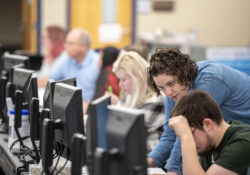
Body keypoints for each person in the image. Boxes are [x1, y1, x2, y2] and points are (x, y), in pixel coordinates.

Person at [146, 48, 250, 175]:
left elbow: (185, 131)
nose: (168, 92)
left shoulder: (210, 79)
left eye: (171, 83)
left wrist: (172, 170)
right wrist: (150, 160)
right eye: (161, 88)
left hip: (243, 134)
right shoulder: (174, 93)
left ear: (183, 72)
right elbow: (171, 134)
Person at [169, 89, 250, 175]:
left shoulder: (243, 143)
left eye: (190, 134)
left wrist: (186, 138)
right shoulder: (211, 143)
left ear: (208, 124)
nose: (190, 142)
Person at [111, 51, 165, 151]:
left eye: (124, 80)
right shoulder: (129, 96)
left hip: (148, 158)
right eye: (119, 80)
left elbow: (129, 133)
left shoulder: (156, 101)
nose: (120, 85)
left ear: (137, 78)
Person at [49, 28, 100, 113]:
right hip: (67, 107)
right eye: (66, 43)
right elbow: (51, 78)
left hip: (89, 110)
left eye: (71, 44)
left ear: (83, 47)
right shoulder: (67, 58)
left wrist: (88, 106)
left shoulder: (97, 63)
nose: (66, 46)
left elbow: (103, 94)